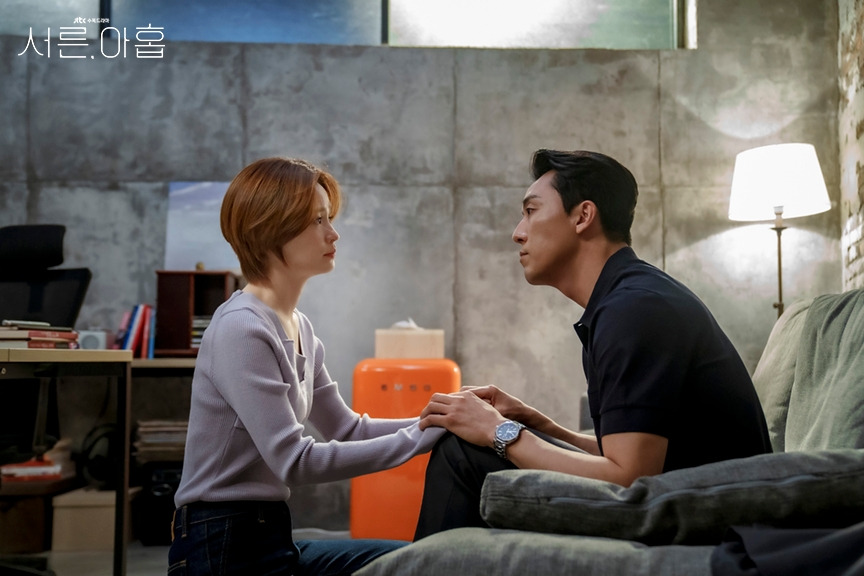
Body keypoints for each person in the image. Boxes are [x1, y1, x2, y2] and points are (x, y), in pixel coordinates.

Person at [413, 149, 772, 539]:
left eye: (531, 211)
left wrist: (497, 431)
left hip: (715, 532)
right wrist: (540, 425)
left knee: (462, 453)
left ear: (583, 216)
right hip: (690, 507)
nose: (518, 232)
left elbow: (630, 481)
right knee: (471, 442)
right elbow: (631, 458)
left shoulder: (634, 309)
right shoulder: (627, 299)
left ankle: (430, 564)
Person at [168, 157, 445, 575]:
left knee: (416, 561)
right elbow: (295, 461)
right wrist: (421, 438)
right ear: (269, 229)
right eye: (317, 220)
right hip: (220, 546)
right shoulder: (241, 328)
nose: (333, 233)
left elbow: (348, 429)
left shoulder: (300, 327)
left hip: (271, 535)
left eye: (328, 218)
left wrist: (439, 420)